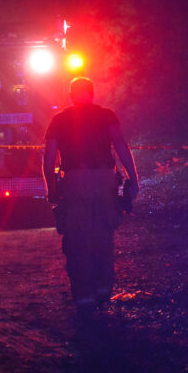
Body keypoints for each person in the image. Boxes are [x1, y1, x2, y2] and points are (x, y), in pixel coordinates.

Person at [43, 77, 139, 320]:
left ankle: (83, 296)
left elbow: (49, 158)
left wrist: (52, 189)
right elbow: (120, 145)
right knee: (103, 235)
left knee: (77, 239)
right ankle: (103, 291)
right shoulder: (107, 115)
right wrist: (134, 178)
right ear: (93, 94)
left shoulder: (59, 119)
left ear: (71, 95)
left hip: (75, 182)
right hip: (105, 179)